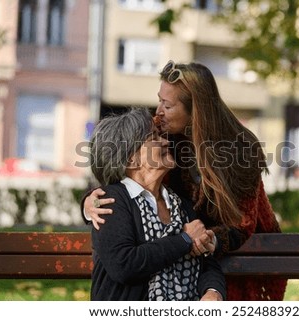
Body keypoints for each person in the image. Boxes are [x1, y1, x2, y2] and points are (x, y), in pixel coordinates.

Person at [84, 60, 287, 300]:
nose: (158, 111)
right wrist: (90, 203)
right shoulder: (166, 135)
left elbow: (242, 223)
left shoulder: (240, 149)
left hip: (233, 252)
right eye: (159, 99)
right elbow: (126, 170)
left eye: (167, 105)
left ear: (195, 111)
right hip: (183, 248)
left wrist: (209, 241)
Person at [89, 107, 226, 301]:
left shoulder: (181, 205)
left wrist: (213, 291)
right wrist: (184, 240)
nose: (164, 141)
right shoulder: (111, 200)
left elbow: (207, 263)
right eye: (154, 137)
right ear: (131, 157)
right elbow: (124, 265)